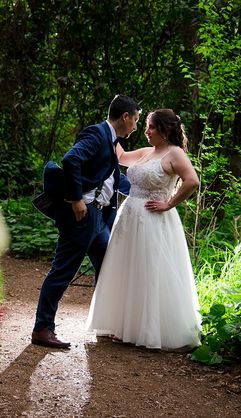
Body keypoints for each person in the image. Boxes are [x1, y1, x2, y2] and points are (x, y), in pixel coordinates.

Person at [31, 94, 141, 349]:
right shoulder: (96, 133)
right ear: (125, 117)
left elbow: (113, 179)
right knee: (63, 271)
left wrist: (144, 190)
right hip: (82, 215)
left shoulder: (110, 140)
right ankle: (42, 328)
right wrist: (76, 198)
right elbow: (71, 159)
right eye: (135, 119)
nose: (135, 126)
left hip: (99, 219)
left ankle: (109, 324)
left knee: (108, 268)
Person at [86, 108, 201, 351]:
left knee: (147, 270)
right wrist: (113, 124)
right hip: (128, 217)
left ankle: (146, 329)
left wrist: (169, 203)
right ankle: (122, 325)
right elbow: (120, 156)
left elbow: (192, 181)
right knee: (127, 268)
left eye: (150, 127)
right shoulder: (147, 152)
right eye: (146, 125)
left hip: (152, 219)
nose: (146, 131)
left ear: (164, 130)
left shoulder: (175, 153)